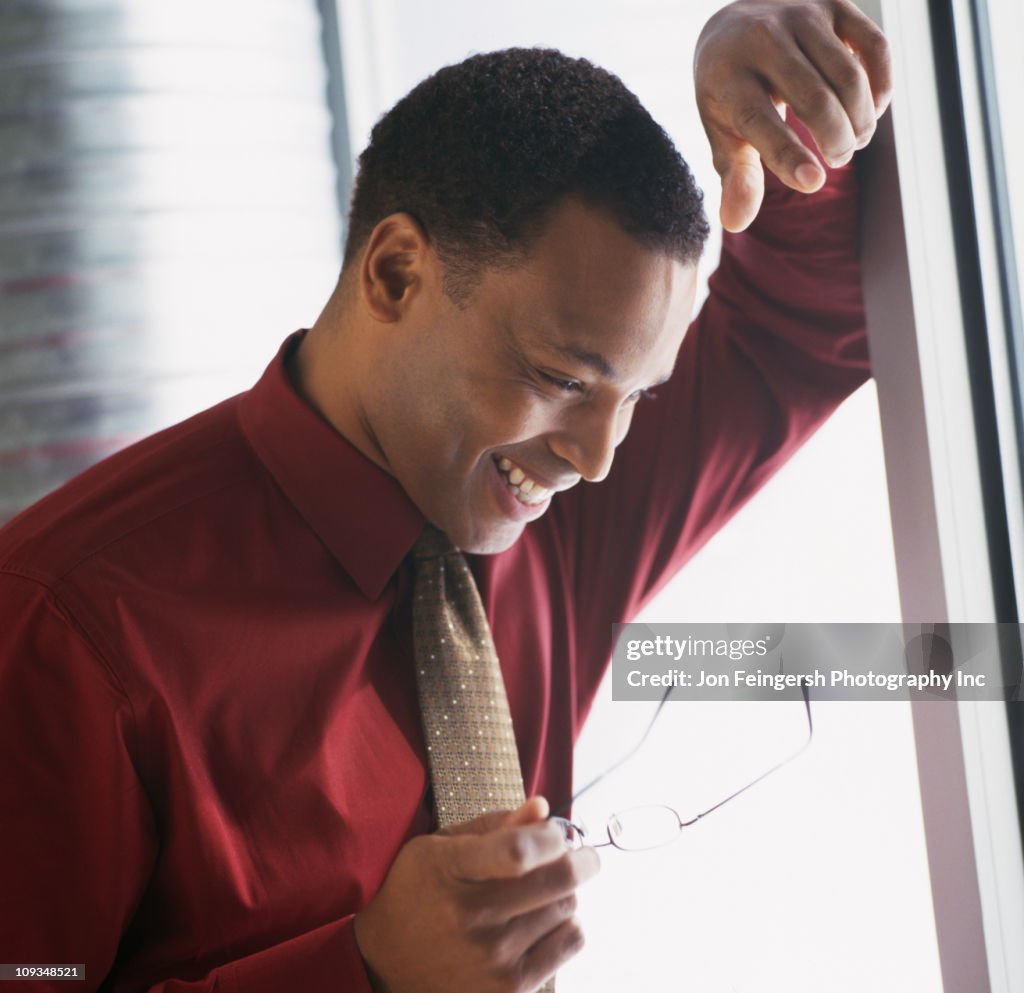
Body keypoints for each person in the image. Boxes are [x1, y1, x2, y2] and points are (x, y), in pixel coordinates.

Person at [0, 2, 891, 991]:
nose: (598, 457)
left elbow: (807, 319)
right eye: (559, 375)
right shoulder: (64, 626)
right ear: (394, 272)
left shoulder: (550, 511)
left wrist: (782, 107)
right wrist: (363, 976)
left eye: (634, 397)